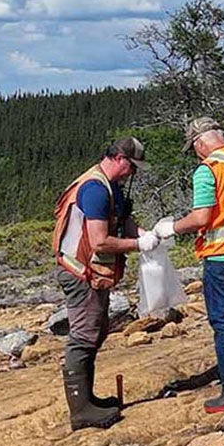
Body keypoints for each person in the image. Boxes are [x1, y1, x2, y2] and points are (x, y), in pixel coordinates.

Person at [152, 118, 224, 413]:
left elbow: (202, 218)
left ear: (200, 143)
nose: (197, 154)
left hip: (223, 255)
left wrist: (171, 228)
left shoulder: (209, 170)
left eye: (195, 148)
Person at [51, 136, 158, 429]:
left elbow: (123, 218)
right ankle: (81, 410)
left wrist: (146, 233)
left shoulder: (112, 188)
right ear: (120, 159)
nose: (133, 173)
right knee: (84, 336)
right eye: (132, 167)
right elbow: (99, 242)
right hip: (81, 273)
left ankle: (88, 400)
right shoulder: (95, 190)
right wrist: (138, 245)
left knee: (95, 333)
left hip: (89, 273)